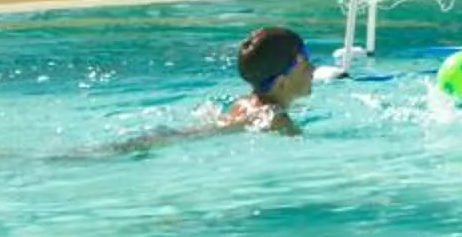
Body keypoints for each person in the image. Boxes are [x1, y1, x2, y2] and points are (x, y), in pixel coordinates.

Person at [92, 25, 316, 156]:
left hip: (175, 136)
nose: (313, 69)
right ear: (281, 83)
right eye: (306, 65)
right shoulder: (277, 118)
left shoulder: (246, 102)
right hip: (176, 144)